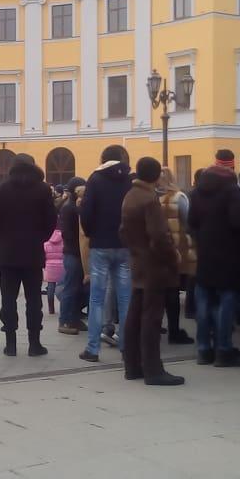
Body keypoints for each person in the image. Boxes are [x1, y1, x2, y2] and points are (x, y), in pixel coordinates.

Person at [118, 157, 183, 385]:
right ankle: (153, 370)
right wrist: (173, 256)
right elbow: (159, 237)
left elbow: (123, 231)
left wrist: (135, 249)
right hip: (154, 266)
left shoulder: (130, 196)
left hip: (138, 262)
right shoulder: (149, 200)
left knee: (135, 316)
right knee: (152, 319)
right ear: (156, 176)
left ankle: (133, 365)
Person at [0, 154, 58, 357]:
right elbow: (51, 221)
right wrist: (38, 238)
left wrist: (2, 240)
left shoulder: (2, 189)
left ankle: (10, 344)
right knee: (34, 299)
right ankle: (34, 343)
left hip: (8, 254)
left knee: (8, 299)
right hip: (33, 253)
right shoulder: (42, 189)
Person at [188, 164, 240, 367]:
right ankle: (224, 349)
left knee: (204, 300)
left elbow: (191, 222)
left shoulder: (196, 192)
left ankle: (204, 349)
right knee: (227, 300)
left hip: (205, 253)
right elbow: (237, 221)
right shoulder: (231, 191)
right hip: (228, 253)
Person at [79, 146, 133, 362]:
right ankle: (127, 346)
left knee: (97, 298)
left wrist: (93, 234)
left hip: (100, 245)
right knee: (126, 298)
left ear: (103, 159)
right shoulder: (130, 179)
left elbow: (86, 212)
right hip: (124, 244)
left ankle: (92, 348)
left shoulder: (95, 179)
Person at [157, 168, 196, 345]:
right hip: (178, 247)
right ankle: (175, 329)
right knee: (173, 290)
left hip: (158, 249)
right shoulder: (180, 198)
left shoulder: (152, 197)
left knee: (159, 290)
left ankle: (157, 326)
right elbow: (188, 222)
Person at [56, 176, 88, 334]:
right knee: (71, 288)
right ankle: (65, 321)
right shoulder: (69, 208)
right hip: (74, 253)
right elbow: (70, 234)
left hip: (78, 253)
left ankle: (74, 317)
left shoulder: (72, 206)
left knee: (82, 288)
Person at [43, 227, 64, 314]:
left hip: (50, 266)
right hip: (62, 265)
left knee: (50, 287)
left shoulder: (46, 239)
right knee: (63, 287)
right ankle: (64, 306)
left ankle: (51, 308)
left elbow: (43, 253)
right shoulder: (63, 239)